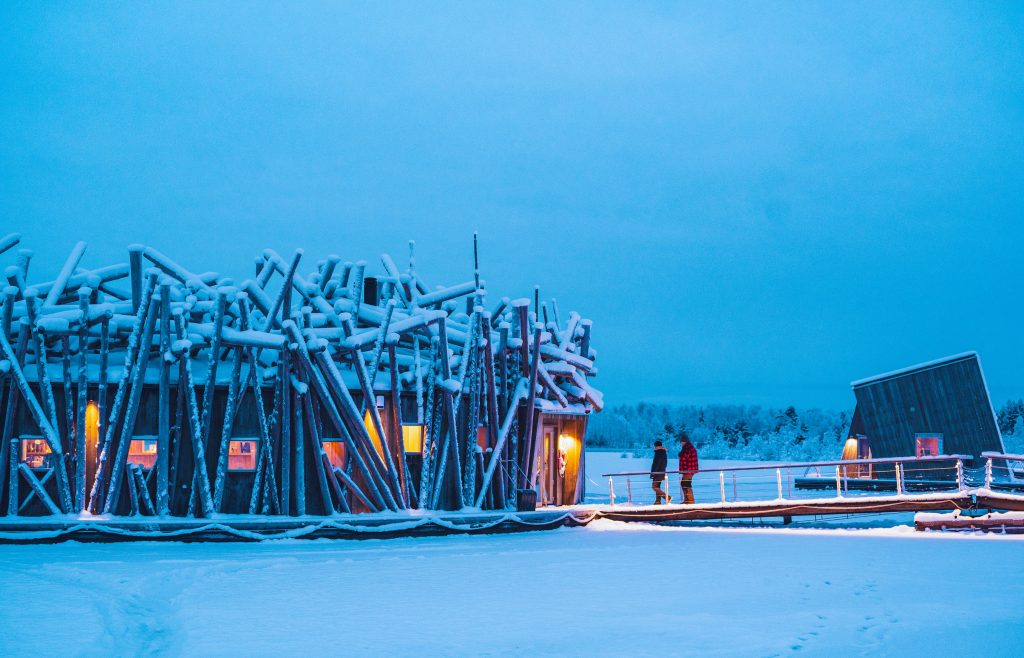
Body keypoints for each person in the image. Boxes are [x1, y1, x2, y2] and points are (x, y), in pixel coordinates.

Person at [678, 437, 699, 504]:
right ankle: (687, 500)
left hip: (688, 469)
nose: (680, 443)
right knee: (685, 483)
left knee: (686, 484)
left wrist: (680, 455)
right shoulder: (689, 447)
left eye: (681, 442)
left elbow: (684, 457)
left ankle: (690, 500)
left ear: (684, 441)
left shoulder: (687, 448)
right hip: (689, 469)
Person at [650, 440, 671, 504]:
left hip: (657, 473)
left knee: (654, 487)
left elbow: (656, 464)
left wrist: (653, 473)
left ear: (656, 446)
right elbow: (664, 463)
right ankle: (658, 501)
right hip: (661, 472)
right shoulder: (663, 452)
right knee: (657, 487)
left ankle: (667, 497)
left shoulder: (658, 453)